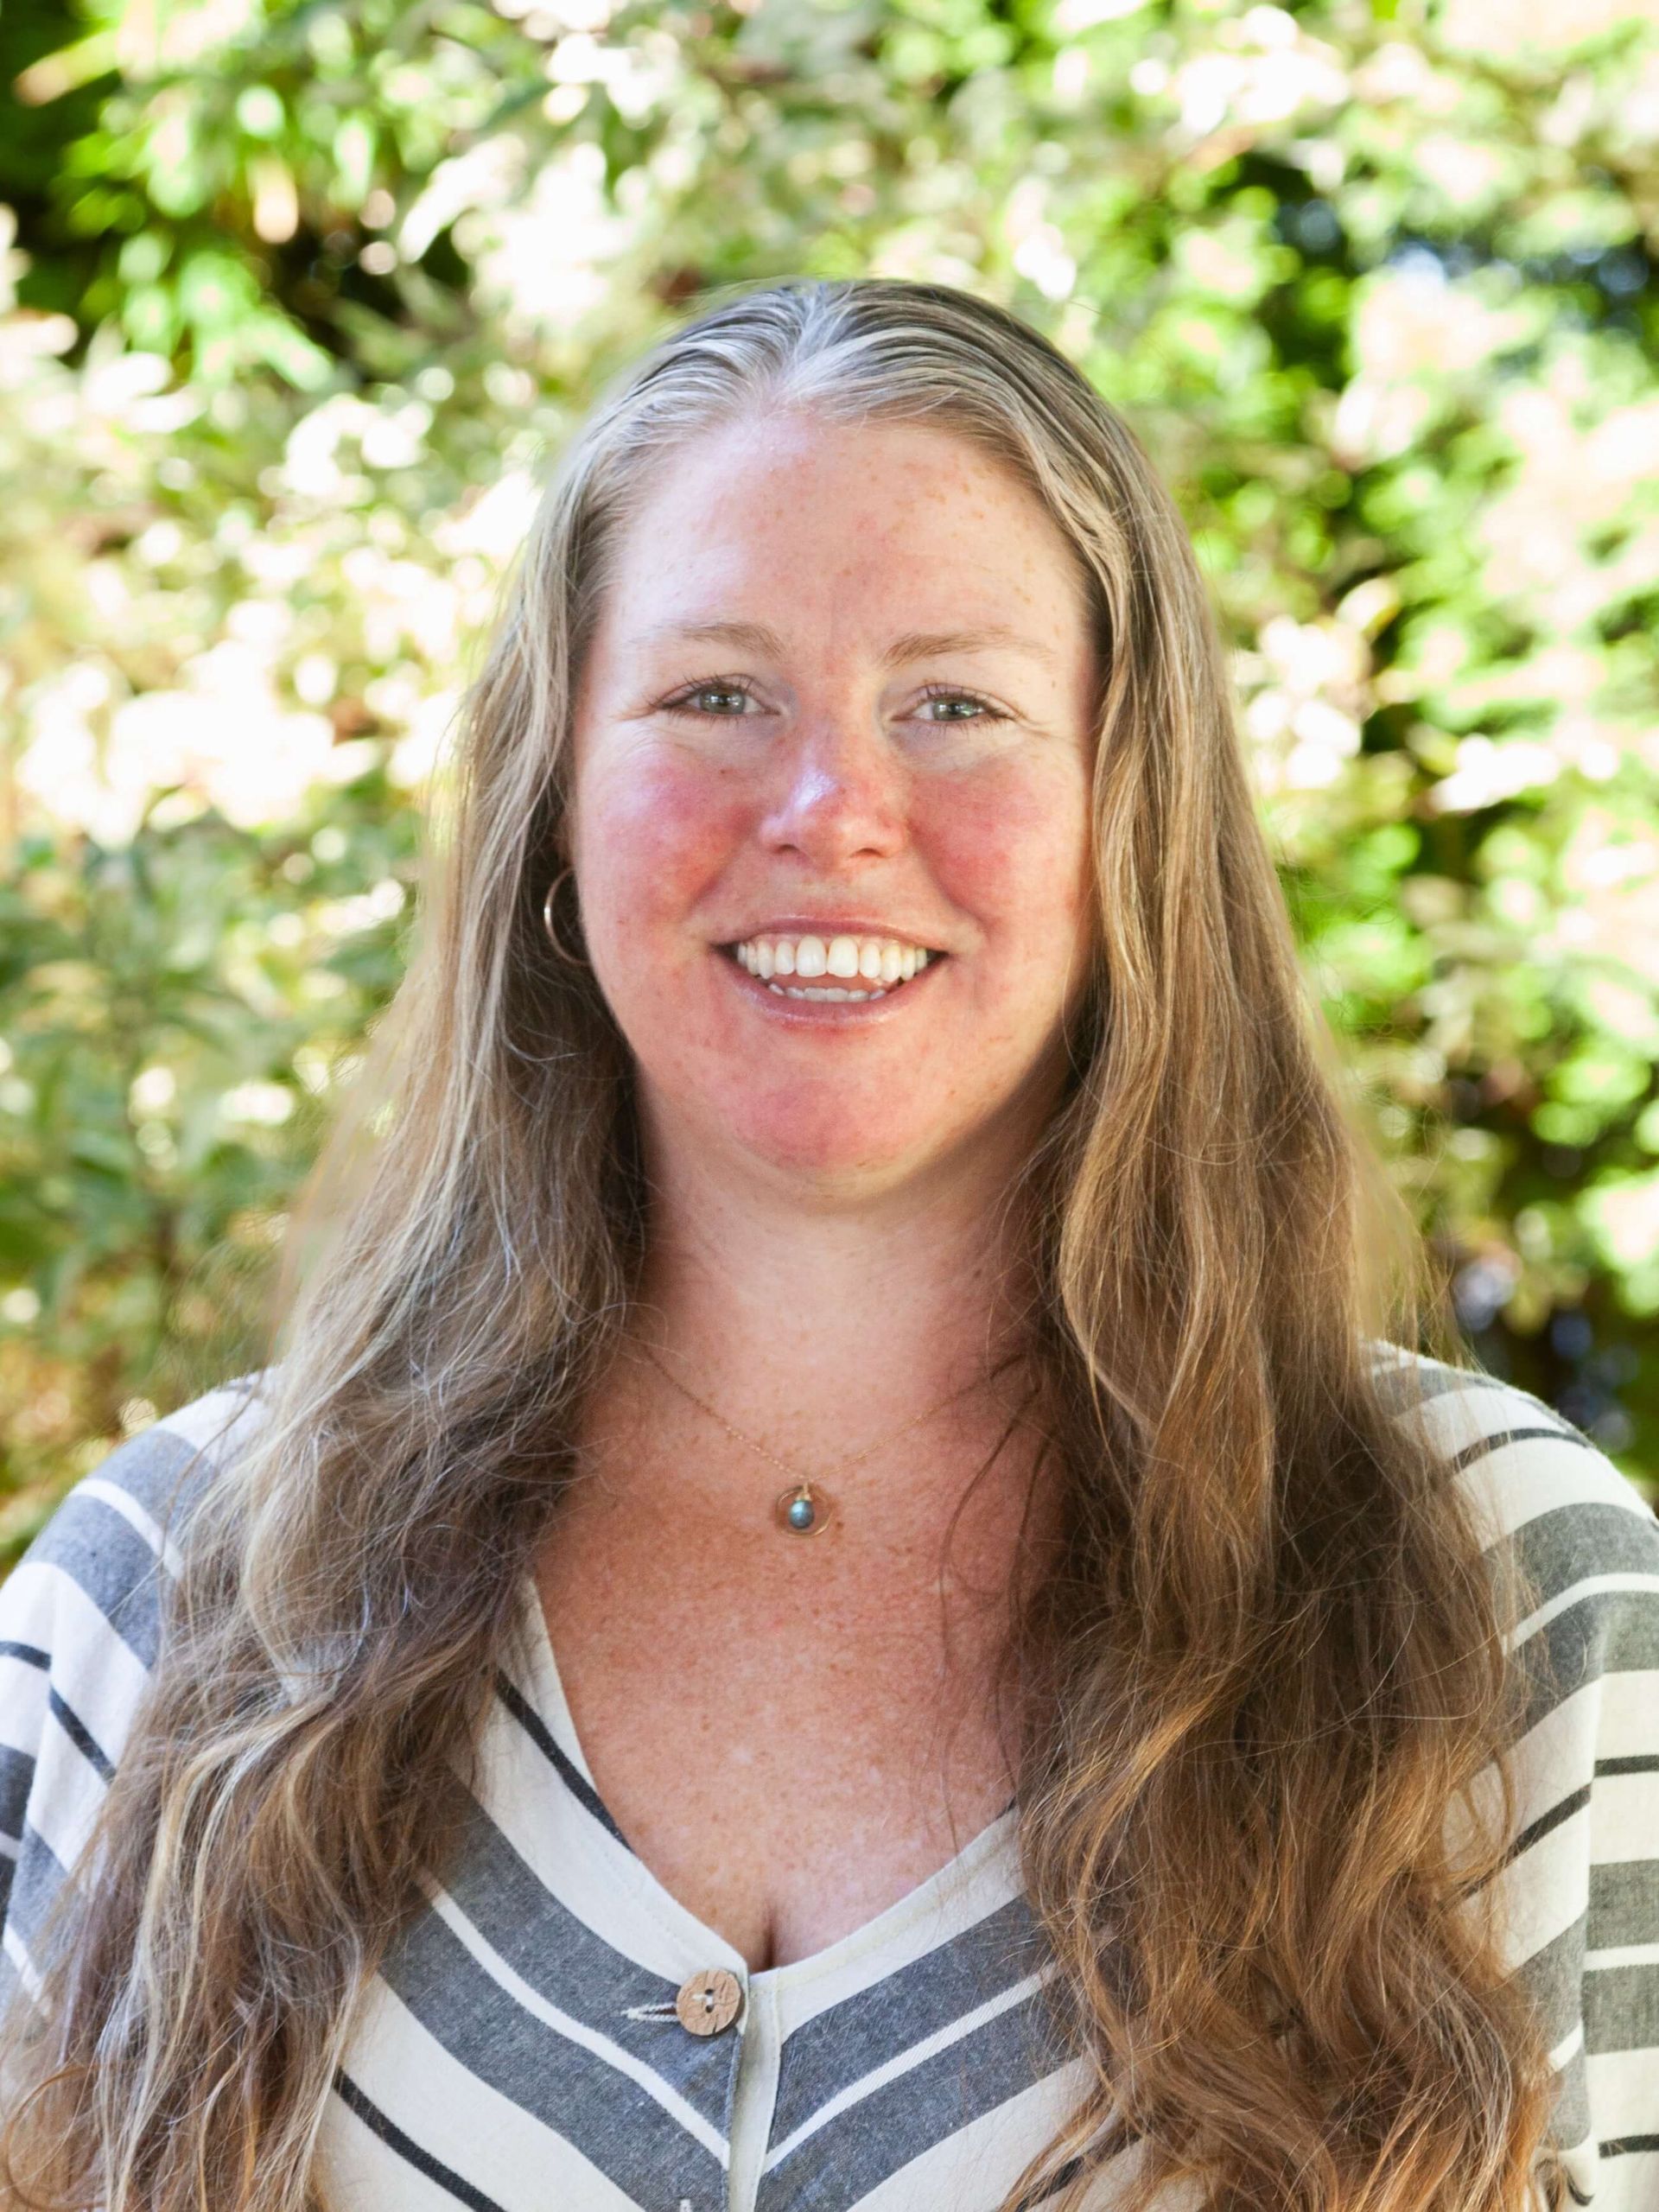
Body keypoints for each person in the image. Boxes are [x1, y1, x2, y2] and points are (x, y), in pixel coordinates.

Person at [0, 277, 1653, 2212]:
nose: (832, 812)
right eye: (717, 694)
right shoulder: (167, 1597)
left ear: (1135, 808)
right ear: (553, 799)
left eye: (955, 704)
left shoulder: (1513, 1601)